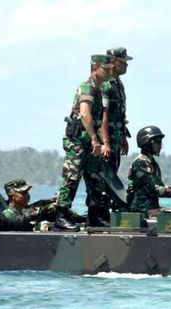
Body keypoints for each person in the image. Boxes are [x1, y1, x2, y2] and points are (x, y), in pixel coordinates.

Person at [56, 54, 114, 229]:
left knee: (95, 180)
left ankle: (95, 217)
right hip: (78, 143)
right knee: (71, 179)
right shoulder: (87, 87)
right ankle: (61, 216)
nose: (110, 71)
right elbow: (84, 114)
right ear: (95, 68)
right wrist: (95, 140)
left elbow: (101, 118)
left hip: (90, 145)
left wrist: (101, 141)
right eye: (106, 68)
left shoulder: (100, 88)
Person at [127, 126, 171, 214]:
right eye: (157, 142)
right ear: (146, 143)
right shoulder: (139, 163)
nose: (160, 145)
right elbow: (154, 189)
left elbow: (161, 187)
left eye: (160, 142)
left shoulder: (152, 163)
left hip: (152, 209)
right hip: (140, 210)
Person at [100, 47, 132, 171]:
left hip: (116, 138)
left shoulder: (118, 84)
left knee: (112, 174)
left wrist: (123, 136)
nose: (126, 65)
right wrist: (105, 143)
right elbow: (103, 115)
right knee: (104, 179)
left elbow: (120, 114)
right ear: (113, 62)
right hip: (107, 140)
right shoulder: (105, 84)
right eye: (123, 61)